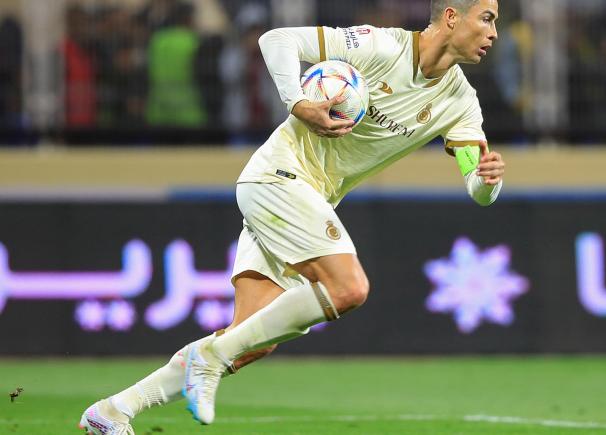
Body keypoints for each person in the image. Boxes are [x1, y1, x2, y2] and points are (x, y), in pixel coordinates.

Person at [79, 0, 504, 432]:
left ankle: (112, 412)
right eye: (486, 19)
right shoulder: (379, 46)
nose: (493, 33)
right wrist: (298, 102)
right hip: (277, 178)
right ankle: (207, 360)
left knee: (249, 341)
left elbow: (478, 188)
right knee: (349, 287)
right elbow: (277, 39)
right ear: (452, 16)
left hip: (301, 201)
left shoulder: (460, 101)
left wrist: (487, 181)